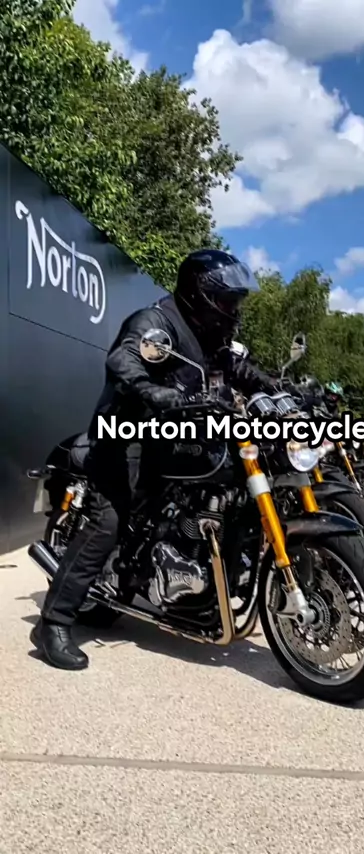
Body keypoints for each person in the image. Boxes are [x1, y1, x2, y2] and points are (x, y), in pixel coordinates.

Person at [31, 249, 276, 671]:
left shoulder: (209, 334)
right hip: (125, 435)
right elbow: (123, 360)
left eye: (236, 301)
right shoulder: (154, 323)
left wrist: (275, 390)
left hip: (173, 439)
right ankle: (53, 622)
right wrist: (153, 392)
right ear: (201, 295)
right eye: (227, 300)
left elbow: (237, 368)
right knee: (107, 522)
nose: (233, 309)